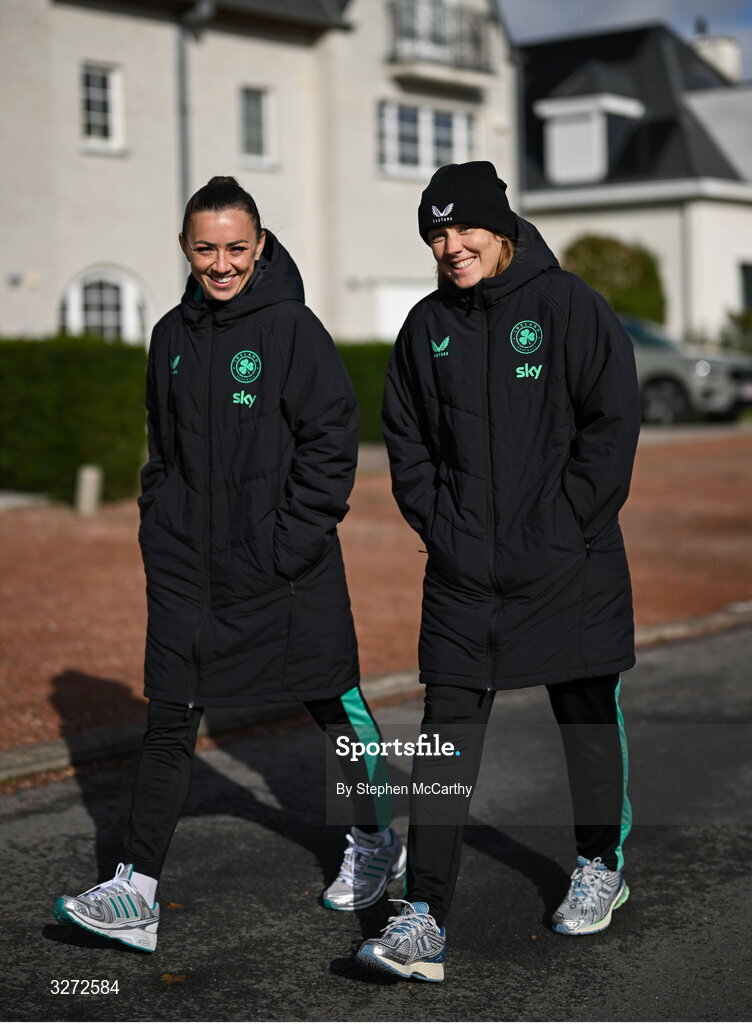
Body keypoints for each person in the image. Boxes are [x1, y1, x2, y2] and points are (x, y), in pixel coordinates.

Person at [53, 176, 404, 952]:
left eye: (236, 248)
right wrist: (161, 525)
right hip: (190, 572)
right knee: (169, 720)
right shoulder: (170, 336)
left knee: (334, 707)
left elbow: (332, 439)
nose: (221, 264)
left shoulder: (291, 329)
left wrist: (288, 542)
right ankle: (135, 891)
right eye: (206, 248)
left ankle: (378, 842)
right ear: (186, 248)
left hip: (287, 568)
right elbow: (162, 449)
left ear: (261, 246)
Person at [355, 161, 640, 982]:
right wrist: (443, 528)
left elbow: (611, 425)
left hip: (567, 565)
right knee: (444, 741)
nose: (451, 245)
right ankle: (424, 916)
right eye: (435, 232)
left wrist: (562, 524)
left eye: (463, 228)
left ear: (502, 228)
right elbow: (405, 440)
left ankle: (599, 864)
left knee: (585, 719)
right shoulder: (424, 327)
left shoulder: (568, 306)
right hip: (463, 573)